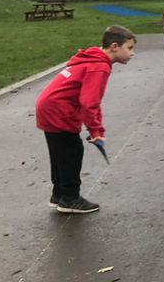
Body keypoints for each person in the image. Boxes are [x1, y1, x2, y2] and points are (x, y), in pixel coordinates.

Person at [35, 25, 136, 213]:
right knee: (71, 152)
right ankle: (70, 199)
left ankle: (59, 194)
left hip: (48, 106)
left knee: (59, 153)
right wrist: (95, 131)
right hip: (59, 110)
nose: (132, 53)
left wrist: (96, 129)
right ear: (114, 46)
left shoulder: (93, 59)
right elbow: (89, 103)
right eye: (129, 48)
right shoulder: (99, 67)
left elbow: (91, 102)